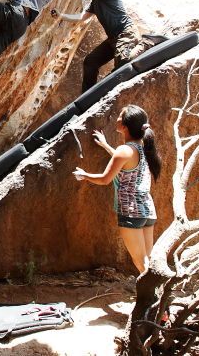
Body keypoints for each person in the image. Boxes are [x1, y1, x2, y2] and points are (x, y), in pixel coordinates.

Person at [72, 105, 161, 273]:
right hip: (147, 210)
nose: (117, 118)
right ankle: (157, 293)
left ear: (125, 126)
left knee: (142, 263)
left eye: (120, 116)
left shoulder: (125, 150)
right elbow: (123, 162)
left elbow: (105, 179)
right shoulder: (143, 147)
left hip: (131, 212)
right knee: (148, 260)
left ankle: (153, 296)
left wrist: (85, 175)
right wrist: (106, 146)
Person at [46, 0, 141, 92]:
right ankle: (87, 97)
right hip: (114, 38)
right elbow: (82, 17)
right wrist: (61, 16)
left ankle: (106, 94)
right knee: (90, 62)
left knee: (122, 65)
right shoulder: (96, 0)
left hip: (126, 34)